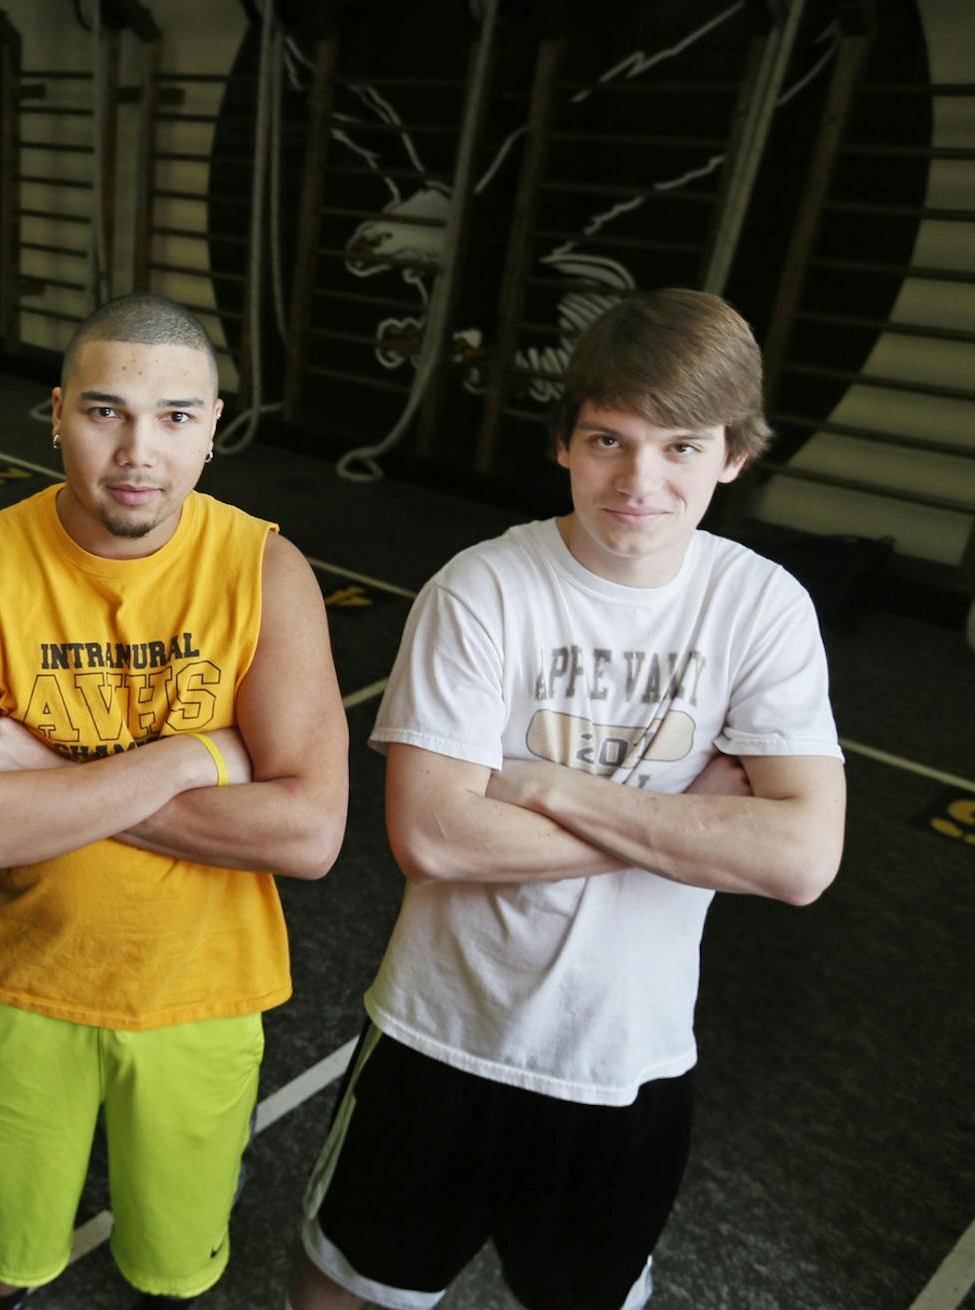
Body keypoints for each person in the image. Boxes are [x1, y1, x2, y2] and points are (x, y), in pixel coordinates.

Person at [288, 289, 847, 1310]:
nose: (640, 481)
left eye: (682, 447)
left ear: (734, 454)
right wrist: (693, 822)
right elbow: (434, 834)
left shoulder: (761, 605)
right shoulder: (484, 588)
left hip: (626, 1057)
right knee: (348, 1290)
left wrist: (548, 786)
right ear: (564, 442)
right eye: (609, 440)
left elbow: (801, 857)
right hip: (444, 1029)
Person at [0, 292, 349, 1308]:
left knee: (173, 1267)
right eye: (106, 412)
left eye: (175, 417)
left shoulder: (267, 570)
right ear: (57, 414)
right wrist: (200, 753)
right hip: (20, 984)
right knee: (6, 1260)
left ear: (212, 431)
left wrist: (48, 779)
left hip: (204, 993)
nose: (138, 449)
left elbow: (311, 832)